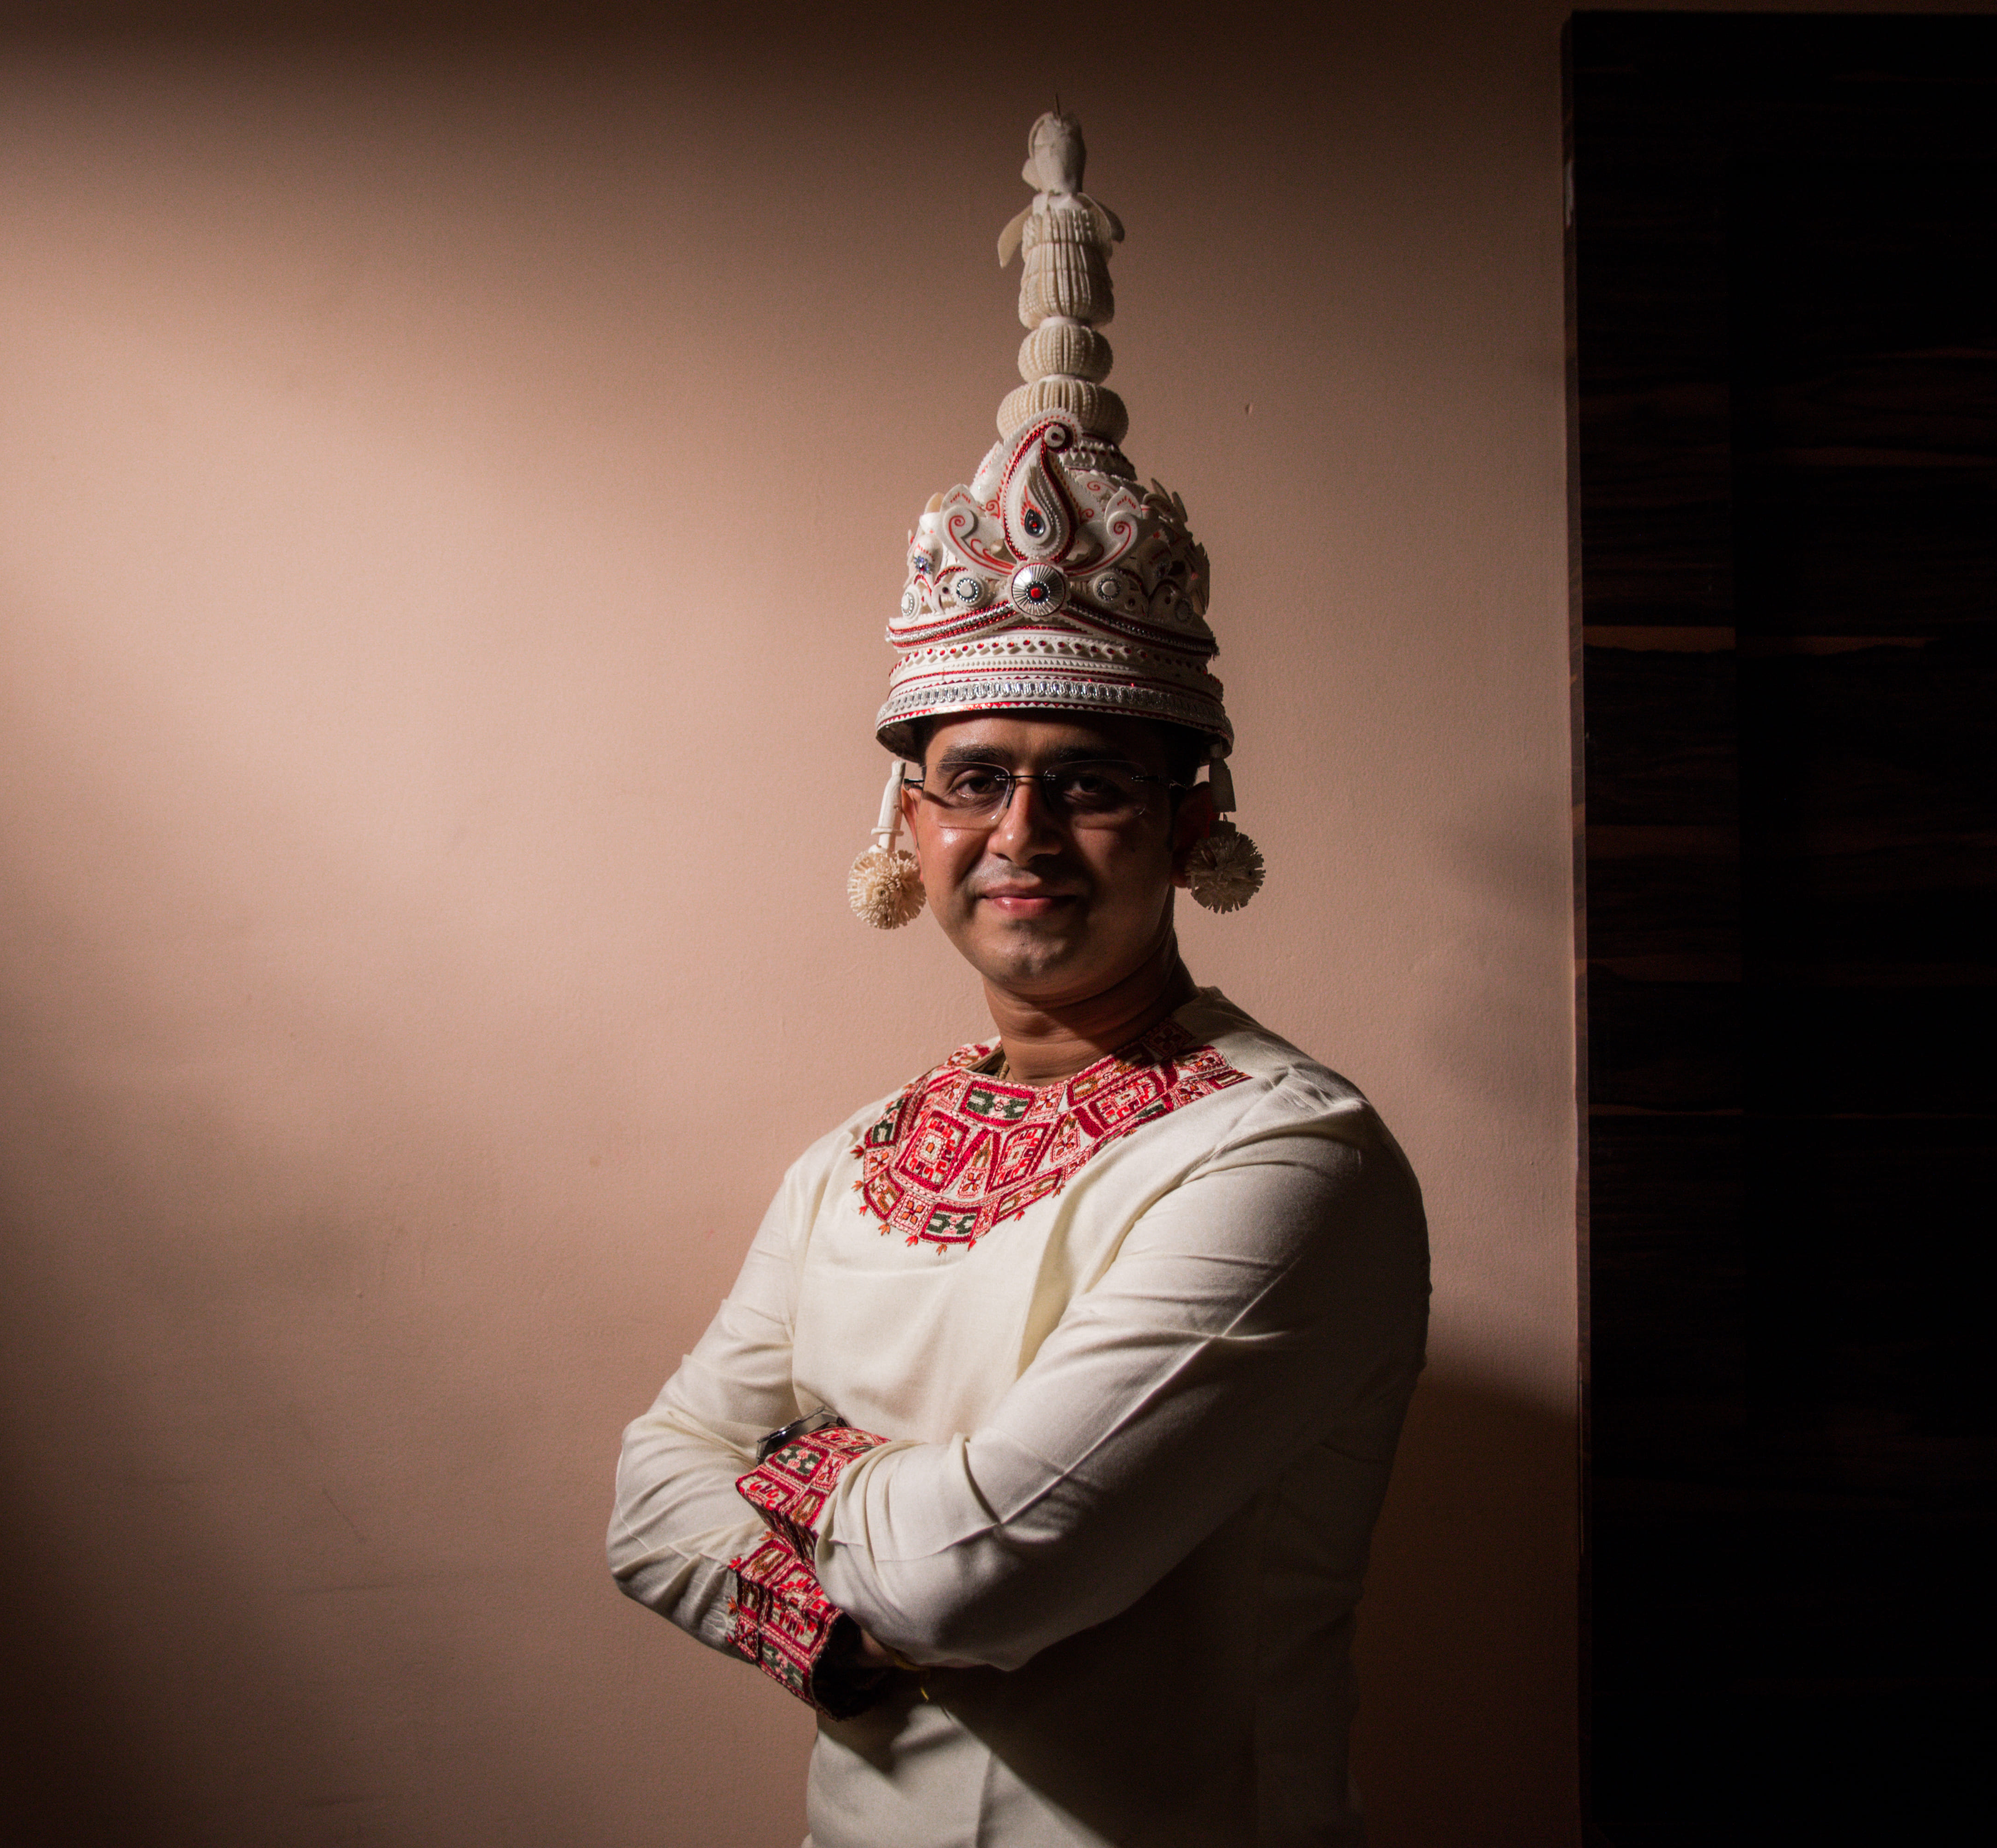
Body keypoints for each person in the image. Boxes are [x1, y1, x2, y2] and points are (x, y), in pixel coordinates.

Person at [607, 112, 1430, 1848]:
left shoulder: (1288, 1163)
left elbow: (978, 1583)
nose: (1026, 832)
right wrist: (838, 1612)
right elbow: (644, 1493)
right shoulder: (860, 1152)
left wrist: (800, 1463)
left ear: (1190, 811)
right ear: (908, 817)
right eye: (976, 777)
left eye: (1094, 780)